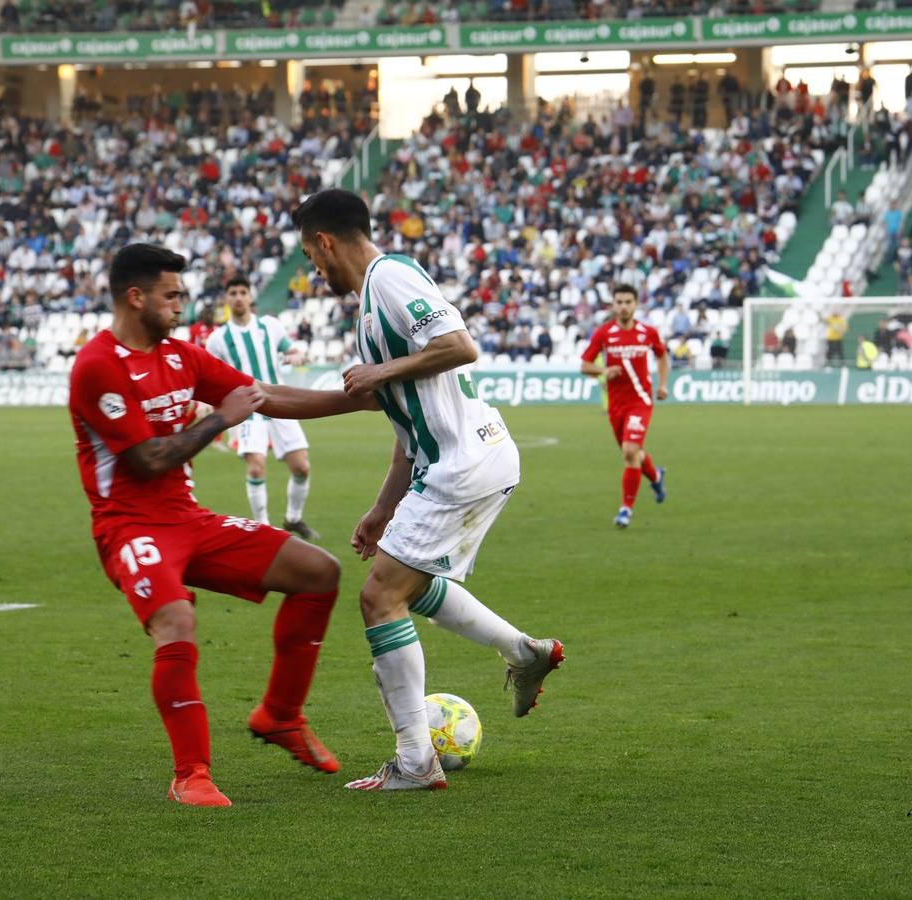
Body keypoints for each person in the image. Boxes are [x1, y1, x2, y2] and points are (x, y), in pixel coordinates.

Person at [67, 244, 366, 808]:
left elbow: (261, 395)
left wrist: (355, 402)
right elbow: (149, 460)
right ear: (136, 297)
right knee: (176, 619)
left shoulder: (181, 356)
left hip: (188, 519)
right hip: (129, 528)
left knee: (317, 571)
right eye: (172, 295)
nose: (182, 305)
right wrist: (224, 420)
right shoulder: (97, 366)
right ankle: (191, 775)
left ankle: (279, 714)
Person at [288, 188, 565, 791]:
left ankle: (415, 761)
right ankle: (524, 653)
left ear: (325, 241)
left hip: (463, 463)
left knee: (379, 597)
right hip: (466, 458)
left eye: (312, 256)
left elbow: (460, 345)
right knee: (409, 586)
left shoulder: (389, 277)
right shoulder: (371, 304)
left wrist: (379, 371)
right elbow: (408, 422)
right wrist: (383, 506)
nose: (315, 269)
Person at [205, 276, 319, 540]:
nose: (238, 297)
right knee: (256, 467)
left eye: (242, 292)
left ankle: (293, 518)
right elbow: (209, 376)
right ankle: (264, 529)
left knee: (301, 467)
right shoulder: (218, 339)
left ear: (250, 296)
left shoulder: (270, 326)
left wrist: (296, 354)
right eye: (232, 292)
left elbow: (291, 350)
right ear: (226, 298)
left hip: (280, 403)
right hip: (246, 409)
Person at [579, 284, 669, 529]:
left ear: (636, 304)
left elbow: (662, 355)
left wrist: (662, 385)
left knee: (630, 452)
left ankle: (625, 510)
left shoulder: (648, 332)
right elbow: (585, 365)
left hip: (640, 402)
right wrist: (604, 370)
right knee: (634, 453)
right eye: (619, 302)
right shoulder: (604, 333)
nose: (623, 306)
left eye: (628, 301)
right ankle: (657, 476)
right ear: (613, 304)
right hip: (616, 406)